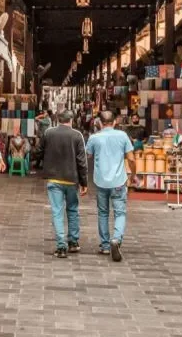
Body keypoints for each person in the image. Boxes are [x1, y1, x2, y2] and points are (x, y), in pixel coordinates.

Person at [85, 111, 135, 262]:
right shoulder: (122, 136)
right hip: (119, 181)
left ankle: (105, 245)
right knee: (120, 213)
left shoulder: (94, 138)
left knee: (103, 213)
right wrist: (133, 173)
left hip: (101, 181)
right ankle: (116, 239)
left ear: (99, 122)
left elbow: (87, 155)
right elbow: (131, 158)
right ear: (114, 122)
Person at [38, 110, 88, 258]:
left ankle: (61, 246)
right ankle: (73, 241)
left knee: (57, 211)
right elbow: (82, 161)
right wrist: (84, 181)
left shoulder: (48, 133)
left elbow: (38, 151)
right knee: (72, 209)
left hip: (54, 179)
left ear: (58, 119)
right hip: (72, 179)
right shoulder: (77, 135)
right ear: (71, 120)